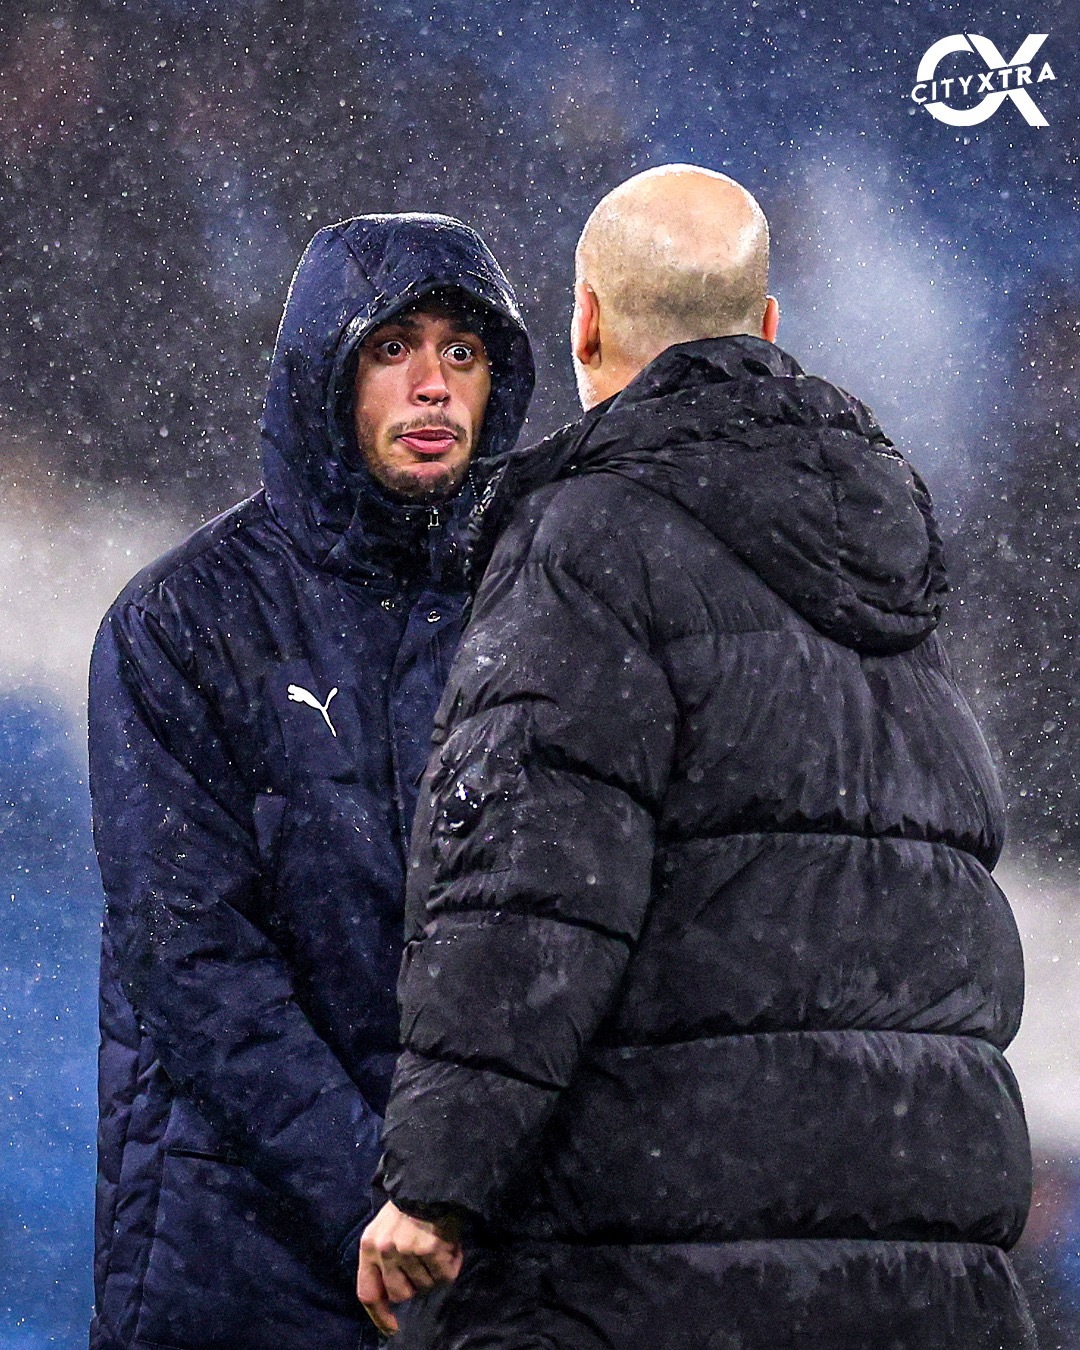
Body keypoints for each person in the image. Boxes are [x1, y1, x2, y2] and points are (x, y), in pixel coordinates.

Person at [358, 167, 1036, 1348]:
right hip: (925, 1279)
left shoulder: (586, 537)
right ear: (769, 327)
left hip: (651, 1268)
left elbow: (530, 891)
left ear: (583, 321)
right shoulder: (892, 573)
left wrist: (436, 1180)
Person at [87, 212, 534, 1350]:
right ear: (324, 374)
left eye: (463, 353)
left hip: (459, 1258)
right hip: (231, 1250)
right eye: (394, 348)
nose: (434, 386)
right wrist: (367, 1199)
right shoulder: (181, 621)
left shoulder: (538, 613)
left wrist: (445, 1200)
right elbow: (189, 952)